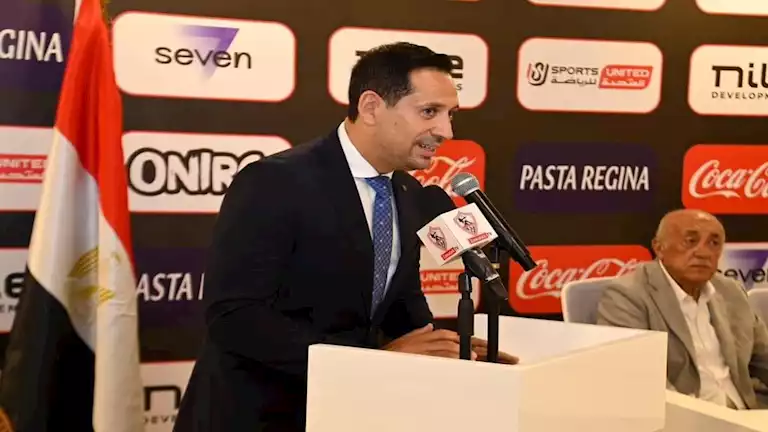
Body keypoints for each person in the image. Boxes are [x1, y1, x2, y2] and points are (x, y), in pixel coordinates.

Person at [173, 42, 517, 432]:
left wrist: (452, 350)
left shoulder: (407, 193)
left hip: (348, 412)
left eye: (450, 114)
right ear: (371, 107)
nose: (446, 131)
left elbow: (401, 304)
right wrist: (376, 358)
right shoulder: (274, 181)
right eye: (429, 112)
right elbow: (235, 317)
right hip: (257, 416)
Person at [596, 209, 768, 409]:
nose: (703, 252)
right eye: (690, 241)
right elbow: (635, 380)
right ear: (659, 248)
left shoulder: (731, 290)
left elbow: (763, 358)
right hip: (685, 415)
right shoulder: (627, 296)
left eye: (714, 243)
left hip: (748, 412)